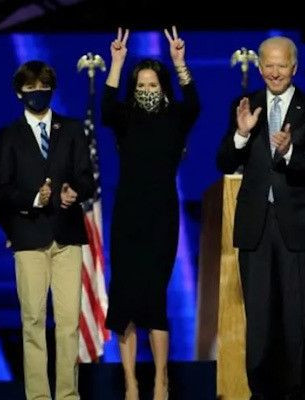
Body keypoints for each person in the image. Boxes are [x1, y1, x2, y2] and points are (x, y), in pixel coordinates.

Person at [215, 35, 305, 399]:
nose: (275, 71)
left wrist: (290, 150)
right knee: (259, 317)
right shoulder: (244, 104)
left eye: (282, 65)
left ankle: (298, 390)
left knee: (298, 315)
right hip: (256, 226)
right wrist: (240, 134)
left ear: (294, 68)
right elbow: (224, 162)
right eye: (269, 64)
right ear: (260, 67)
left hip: (296, 226)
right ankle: (261, 391)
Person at [102, 26, 200, 400]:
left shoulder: (175, 116)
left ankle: (161, 380)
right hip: (127, 214)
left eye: (152, 85)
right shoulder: (124, 116)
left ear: (162, 87)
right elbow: (107, 106)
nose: (145, 91)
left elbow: (194, 104)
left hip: (161, 214)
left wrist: (179, 63)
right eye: (140, 86)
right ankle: (130, 382)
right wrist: (117, 62)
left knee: (155, 296)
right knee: (124, 297)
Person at [0, 60, 93, 400]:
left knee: (68, 324)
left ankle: (67, 395)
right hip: (29, 238)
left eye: (44, 87)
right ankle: (37, 396)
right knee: (33, 321)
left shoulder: (73, 129)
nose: (39, 93)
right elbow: (0, 189)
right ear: (20, 92)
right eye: (32, 88)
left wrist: (72, 192)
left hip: (67, 237)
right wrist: (34, 197)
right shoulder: (9, 135)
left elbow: (86, 177)